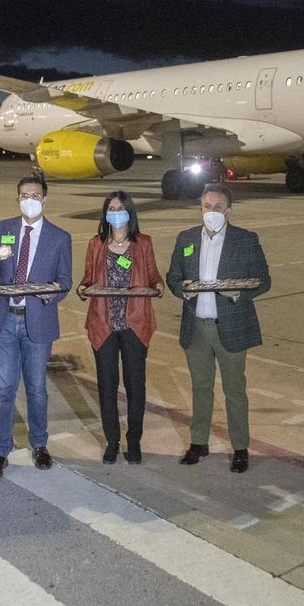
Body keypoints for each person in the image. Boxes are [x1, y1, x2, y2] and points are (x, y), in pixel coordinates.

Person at [165, 182, 271, 473]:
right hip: (196, 328)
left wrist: (236, 293)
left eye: (218, 207)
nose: (212, 211)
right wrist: (185, 291)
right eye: (207, 206)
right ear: (200, 208)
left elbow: (263, 279)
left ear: (229, 210)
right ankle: (199, 442)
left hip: (232, 327)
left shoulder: (245, 239)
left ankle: (240, 447)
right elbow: (173, 277)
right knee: (200, 388)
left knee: (235, 391)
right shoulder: (186, 239)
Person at [0, 174, 71, 479]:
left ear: (45, 198)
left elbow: (65, 282)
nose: (29, 199)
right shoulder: (3, 228)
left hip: (38, 321)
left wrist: (52, 293)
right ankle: (0, 451)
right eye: (23, 195)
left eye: (34, 195)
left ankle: (39, 444)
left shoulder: (60, 237)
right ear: (17, 198)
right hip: (5, 319)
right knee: (4, 389)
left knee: (37, 389)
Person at [76, 191, 161, 464]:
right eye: (111, 208)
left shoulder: (143, 243)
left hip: (135, 324)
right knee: (107, 385)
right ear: (105, 213)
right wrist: (82, 288)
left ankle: (133, 441)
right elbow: (88, 278)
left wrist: (158, 287)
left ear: (129, 212)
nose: (115, 212)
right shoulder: (95, 243)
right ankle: (112, 440)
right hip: (104, 323)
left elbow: (154, 276)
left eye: (120, 207)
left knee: (136, 384)